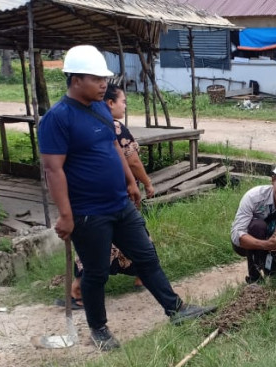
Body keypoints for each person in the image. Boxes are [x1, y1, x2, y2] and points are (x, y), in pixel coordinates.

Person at [38, 45, 213, 351]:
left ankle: (176, 310)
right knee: (96, 272)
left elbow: (114, 148)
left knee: (146, 256)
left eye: (104, 78)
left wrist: (131, 182)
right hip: (88, 213)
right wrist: (66, 215)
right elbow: (53, 170)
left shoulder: (100, 108)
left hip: (119, 203)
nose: (104, 84)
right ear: (75, 80)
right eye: (96, 79)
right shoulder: (57, 118)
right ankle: (99, 329)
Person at [56, 85, 155, 309]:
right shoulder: (113, 127)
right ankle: (80, 292)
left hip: (98, 198)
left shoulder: (87, 123)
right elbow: (132, 160)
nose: (125, 105)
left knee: (122, 241)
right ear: (109, 103)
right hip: (110, 199)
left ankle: (142, 277)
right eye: (123, 101)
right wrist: (145, 183)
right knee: (121, 242)